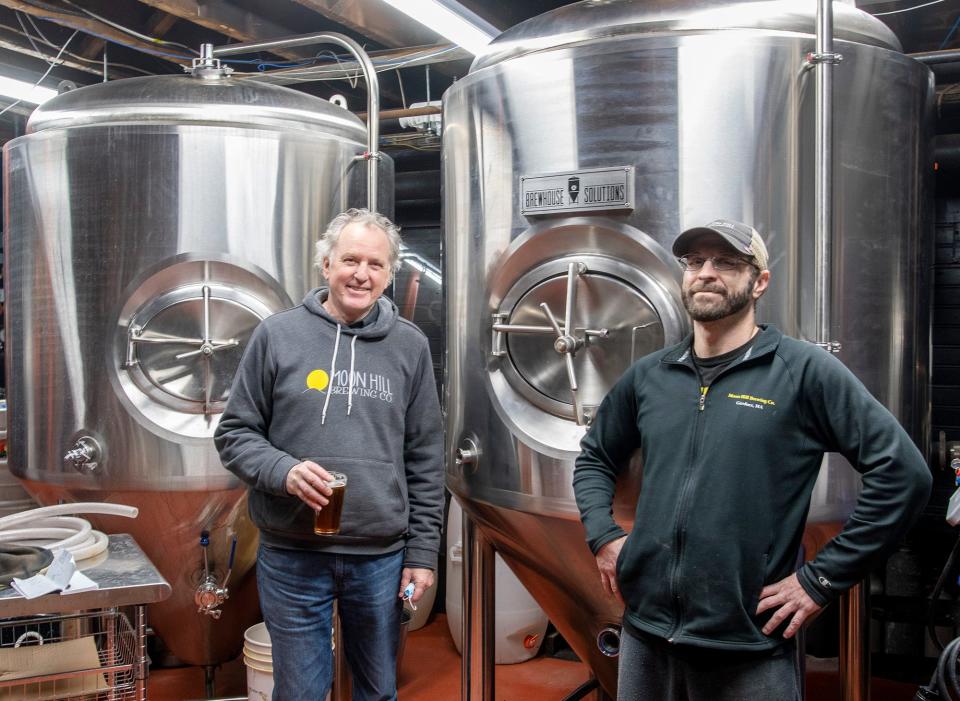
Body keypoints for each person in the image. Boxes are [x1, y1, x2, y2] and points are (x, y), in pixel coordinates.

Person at [573, 219, 932, 701]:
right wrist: (602, 535)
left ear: (759, 281)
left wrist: (821, 579)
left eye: (726, 263)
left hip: (749, 644)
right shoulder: (651, 376)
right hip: (646, 635)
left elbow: (904, 475)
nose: (706, 273)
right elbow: (594, 456)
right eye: (696, 262)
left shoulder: (803, 370)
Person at [215, 208, 444, 701]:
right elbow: (234, 433)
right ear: (326, 265)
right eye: (350, 259)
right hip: (292, 554)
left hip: (380, 557)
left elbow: (425, 456)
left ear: (389, 274)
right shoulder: (278, 336)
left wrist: (423, 553)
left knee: (378, 692)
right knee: (300, 694)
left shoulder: (410, 347)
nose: (361, 274)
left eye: (376, 264)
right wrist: (285, 471)